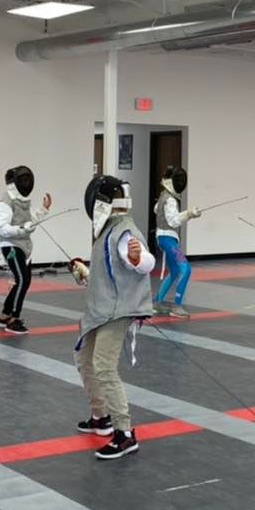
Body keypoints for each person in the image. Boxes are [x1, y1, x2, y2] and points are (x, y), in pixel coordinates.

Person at [75, 175, 154, 460]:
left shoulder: (124, 231)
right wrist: (85, 272)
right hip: (101, 309)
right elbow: (109, 273)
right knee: (84, 359)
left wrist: (137, 258)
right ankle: (101, 417)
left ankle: (125, 434)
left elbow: (145, 261)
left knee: (104, 367)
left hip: (117, 311)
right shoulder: (108, 229)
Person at [0, 165, 50, 333]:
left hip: (25, 246)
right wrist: (21, 229)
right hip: (11, 246)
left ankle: (4, 316)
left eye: (27, 180)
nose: (26, 183)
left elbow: (30, 220)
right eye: (23, 180)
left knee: (24, 281)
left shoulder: (24, 202)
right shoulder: (5, 202)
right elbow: (2, 228)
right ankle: (14, 319)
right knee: (22, 280)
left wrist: (44, 209)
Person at [153, 166, 200, 317]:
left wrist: (187, 213)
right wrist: (189, 214)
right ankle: (177, 307)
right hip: (168, 240)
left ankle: (157, 302)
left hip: (163, 238)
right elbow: (173, 221)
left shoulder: (163, 196)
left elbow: (156, 209)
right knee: (186, 269)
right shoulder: (170, 200)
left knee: (174, 272)